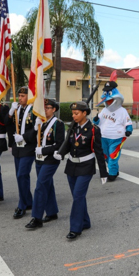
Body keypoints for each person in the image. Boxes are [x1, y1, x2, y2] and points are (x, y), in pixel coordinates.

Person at [54, 101, 108, 240]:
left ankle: (75, 228)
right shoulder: (72, 127)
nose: (74, 116)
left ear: (85, 113)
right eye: (73, 113)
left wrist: (103, 172)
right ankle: (85, 221)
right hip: (71, 166)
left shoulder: (94, 129)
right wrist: (60, 153)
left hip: (86, 167)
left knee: (78, 196)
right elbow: (68, 144)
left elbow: (99, 151)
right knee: (78, 197)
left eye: (76, 113)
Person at [25, 99, 65, 230]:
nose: (45, 110)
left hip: (51, 159)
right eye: (44, 107)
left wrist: (43, 150)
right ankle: (52, 212)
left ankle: (37, 218)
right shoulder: (40, 122)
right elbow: (31, 138)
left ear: (54, 109)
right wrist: (35, 127)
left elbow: (60, 145)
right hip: (39, 159)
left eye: (48, 107)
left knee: (40, 186)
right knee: (47, 184)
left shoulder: (58, 124)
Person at [7, 87, 36, 219]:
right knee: (21, 176)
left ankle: (22, 205)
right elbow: (8, 126)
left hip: (28, 147)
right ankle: (28, 201)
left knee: (22, 175)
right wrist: (11, 112)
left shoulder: (34, 110)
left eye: (23, 95)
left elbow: (36, 130)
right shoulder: (18, 109)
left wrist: (24, 136)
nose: (20, 98)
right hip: (18, 148)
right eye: (19, 95)